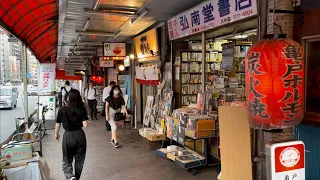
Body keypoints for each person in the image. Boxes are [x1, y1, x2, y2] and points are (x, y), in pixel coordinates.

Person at [55, 89, 88, 180]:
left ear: (68, 98)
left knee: (67, 159)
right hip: (80, 135)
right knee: (79, 160)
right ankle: (76, 177)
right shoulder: (82, 109)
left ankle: (70, 176)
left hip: (68, 136)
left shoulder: (62, 110)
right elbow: (85, 125)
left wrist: (56, 134)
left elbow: (58, 124)